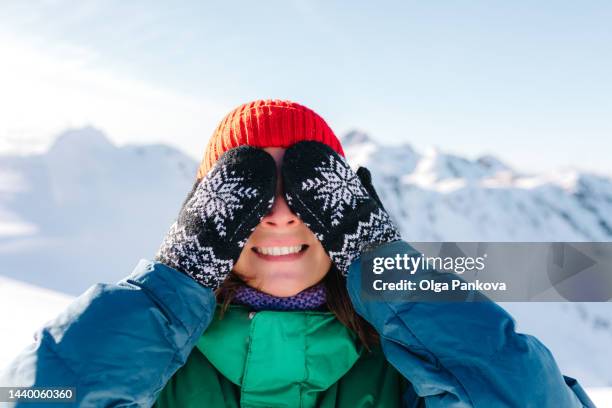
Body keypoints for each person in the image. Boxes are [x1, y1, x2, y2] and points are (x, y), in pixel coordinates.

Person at [1, 100, 595, 407]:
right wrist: (171, 285)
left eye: (310, 189)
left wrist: (386, 269)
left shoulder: (414, 372)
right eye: (247, 189)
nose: (280, 211)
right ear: (203, 215)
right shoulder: (148, 372)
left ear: (352, 209)